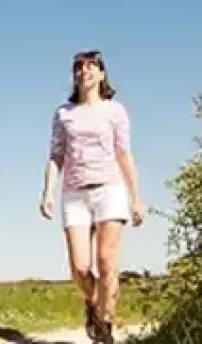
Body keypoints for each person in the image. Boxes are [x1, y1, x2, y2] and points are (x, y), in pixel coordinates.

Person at [39, 50, 145, 344]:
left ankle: (105, 325)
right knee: (80, 267)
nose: (84, 71)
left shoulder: (115, 111)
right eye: (79, 67)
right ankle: (92, 301)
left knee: (106, 260)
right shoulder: (64, 113)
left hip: (109, 189)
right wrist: (48, 192)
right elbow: (56, 156)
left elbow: (124, 154)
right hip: (74, 193)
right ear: (74, 75)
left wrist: (136, 197)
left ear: (101, 74)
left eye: (91, 66)